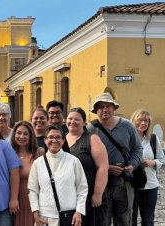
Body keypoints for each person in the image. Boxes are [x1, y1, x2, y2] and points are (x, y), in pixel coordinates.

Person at [86, 92, 142, 226]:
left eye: (108, 106)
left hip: (124, 183)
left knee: (124, 221)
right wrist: (106, 168)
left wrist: (132, 165)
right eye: (101, 107)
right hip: (101, 186)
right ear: (96, 110)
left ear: (113, 108)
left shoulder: (127, 126)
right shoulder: (90, 129)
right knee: (102, 221)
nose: (105, 110)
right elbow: (86, 156)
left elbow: (137, 149)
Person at [28, 125, 88, 226]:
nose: (54, 140)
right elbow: (33, 191)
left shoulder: (73, 161)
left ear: (63, 141)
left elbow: (82, 189)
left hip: (69, 217)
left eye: (58, 137)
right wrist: (36, 214)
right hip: (44, 218)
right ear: (45, 140)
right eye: (51, 137)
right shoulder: (38, 163)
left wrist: (79, 212)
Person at [66, 108, 109, 226]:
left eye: (77, 119)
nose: (72, 121)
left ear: (84, 122)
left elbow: (103, 167)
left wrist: (97, 194)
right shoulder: (62, 139)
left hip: (90, 196)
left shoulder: (92, 138)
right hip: (70, 198)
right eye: (70, 118)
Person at [130, 109, 165, 226]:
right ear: (133, 121)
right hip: (131, 185)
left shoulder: (153, 139)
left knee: (148, 220)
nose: (143, 123)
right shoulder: (127, 139)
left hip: (150, 185)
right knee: (131, 219)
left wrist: (152, 162)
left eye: (146, 120)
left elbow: (161, 159)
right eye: (140, 120)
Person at [11, 121, 45, 226]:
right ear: (14, 135)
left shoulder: (39, 153)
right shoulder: (9, 153)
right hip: (15, 200)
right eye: (19, 133)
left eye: (26, 134)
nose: (22, 136)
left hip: (34, 200)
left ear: (31, 135)